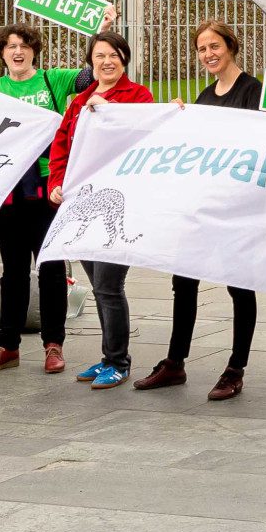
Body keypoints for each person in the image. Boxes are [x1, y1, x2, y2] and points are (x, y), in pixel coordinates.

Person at [141, 18, 262, 399]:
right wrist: (180, 120)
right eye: (202, 49)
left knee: (240, 287)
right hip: (204, 206)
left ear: (231, 46)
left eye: (215, 46)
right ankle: (175, 363)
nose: (208, 54)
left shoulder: (253, 91)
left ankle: (235, 369)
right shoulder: (205, 96)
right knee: (184, 281)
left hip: (238, 207)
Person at [44, 28, 158, 386]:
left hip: (119, 203)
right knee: (98, 286)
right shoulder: (79, 102)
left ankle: (119, 362)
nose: (106, 62)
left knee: (109, 285)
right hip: (82, 204)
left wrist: (110, 112)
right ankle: (109, 356)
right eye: (99, 57)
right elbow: (61, 146)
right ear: (91, 64)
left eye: (113, 55)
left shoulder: (139, 96)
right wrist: (56, 184)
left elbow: (144, 140)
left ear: (124, 58)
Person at [0, 24, 79, 374]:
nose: (17, 52)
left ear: (35, 51)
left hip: (48, 189)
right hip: (9, 192)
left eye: (24, 46)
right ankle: (8, 346)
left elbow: (94, 73)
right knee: (13, 272)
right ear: (1, 53)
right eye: (10, 46)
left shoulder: (53, 81)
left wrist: (102, 27)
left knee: (50, 269)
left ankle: (53, 344)